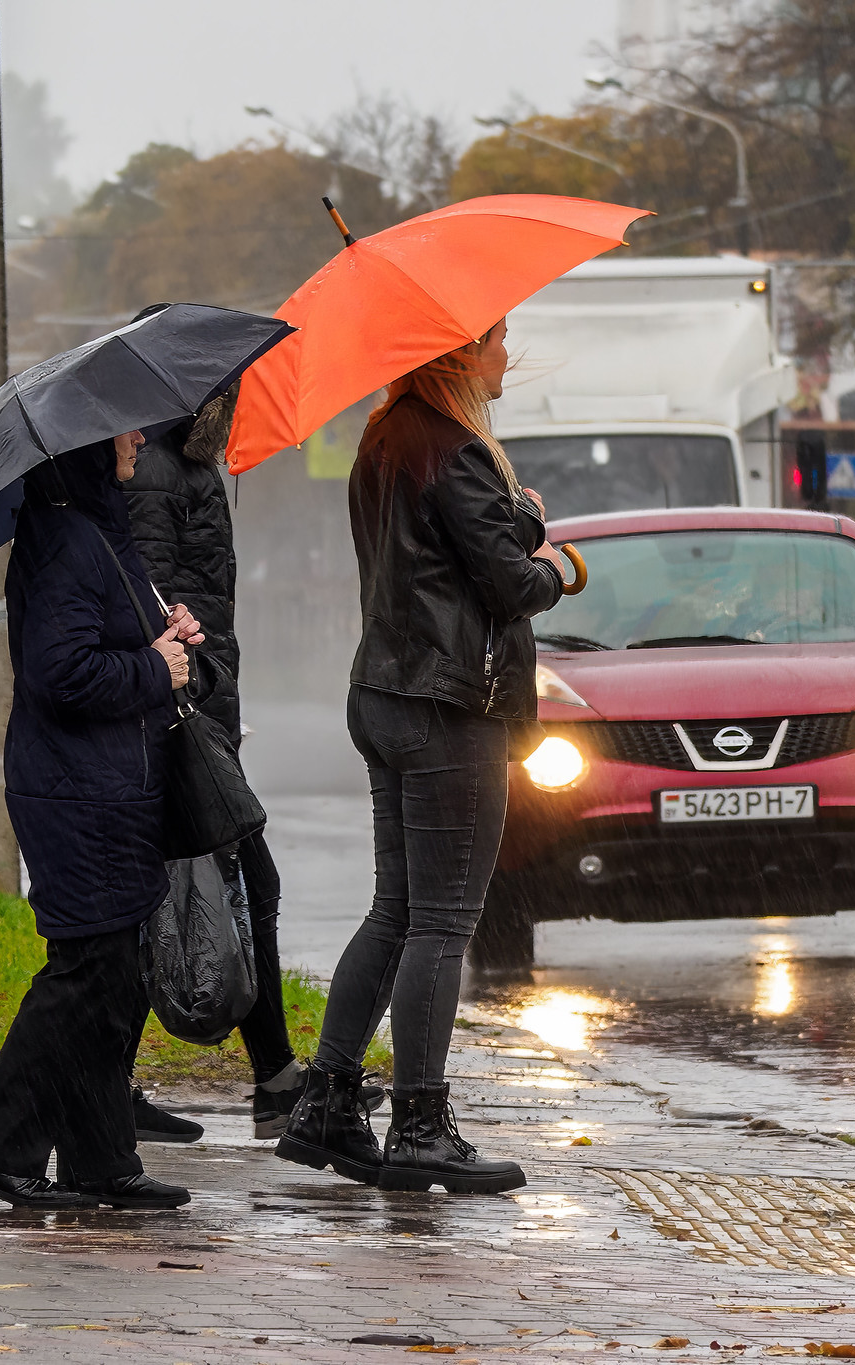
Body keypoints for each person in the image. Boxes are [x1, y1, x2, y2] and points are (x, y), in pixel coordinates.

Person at [278, 320, 566, 1195]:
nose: (508, 356)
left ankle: (326, 1100)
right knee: (442, 921)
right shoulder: (454, 448)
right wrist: (562, 563)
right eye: (498, 342)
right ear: (457, 354)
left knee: (397, 910)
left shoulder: (386, 438)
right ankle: (419, 1124)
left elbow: (439, 546)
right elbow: (510, 585)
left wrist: (512, 517)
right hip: (449, 705)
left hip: (388, 690)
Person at [0, 432, 203, 1210]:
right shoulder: (65, 537)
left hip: (110, 787)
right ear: (85, 448)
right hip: (76, 792)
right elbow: (61, 674)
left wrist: (178, 639)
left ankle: (100, 1159)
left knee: (113, 977)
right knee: (84, 974)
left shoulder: (97, 528)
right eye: (122, 431)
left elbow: (124, 643)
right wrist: (153, 667)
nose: (136, 440)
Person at [123, 379, 338, 1141]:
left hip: (203, 710)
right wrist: (191, 709)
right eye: (231, 394)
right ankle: (272, 1081)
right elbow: (146, 601)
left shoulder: (187, 464)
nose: (240, 408)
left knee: (181, 896)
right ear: (196, 395)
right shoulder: (155, 470)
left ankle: (270, 1077)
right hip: (180, 716)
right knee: (228, 887)